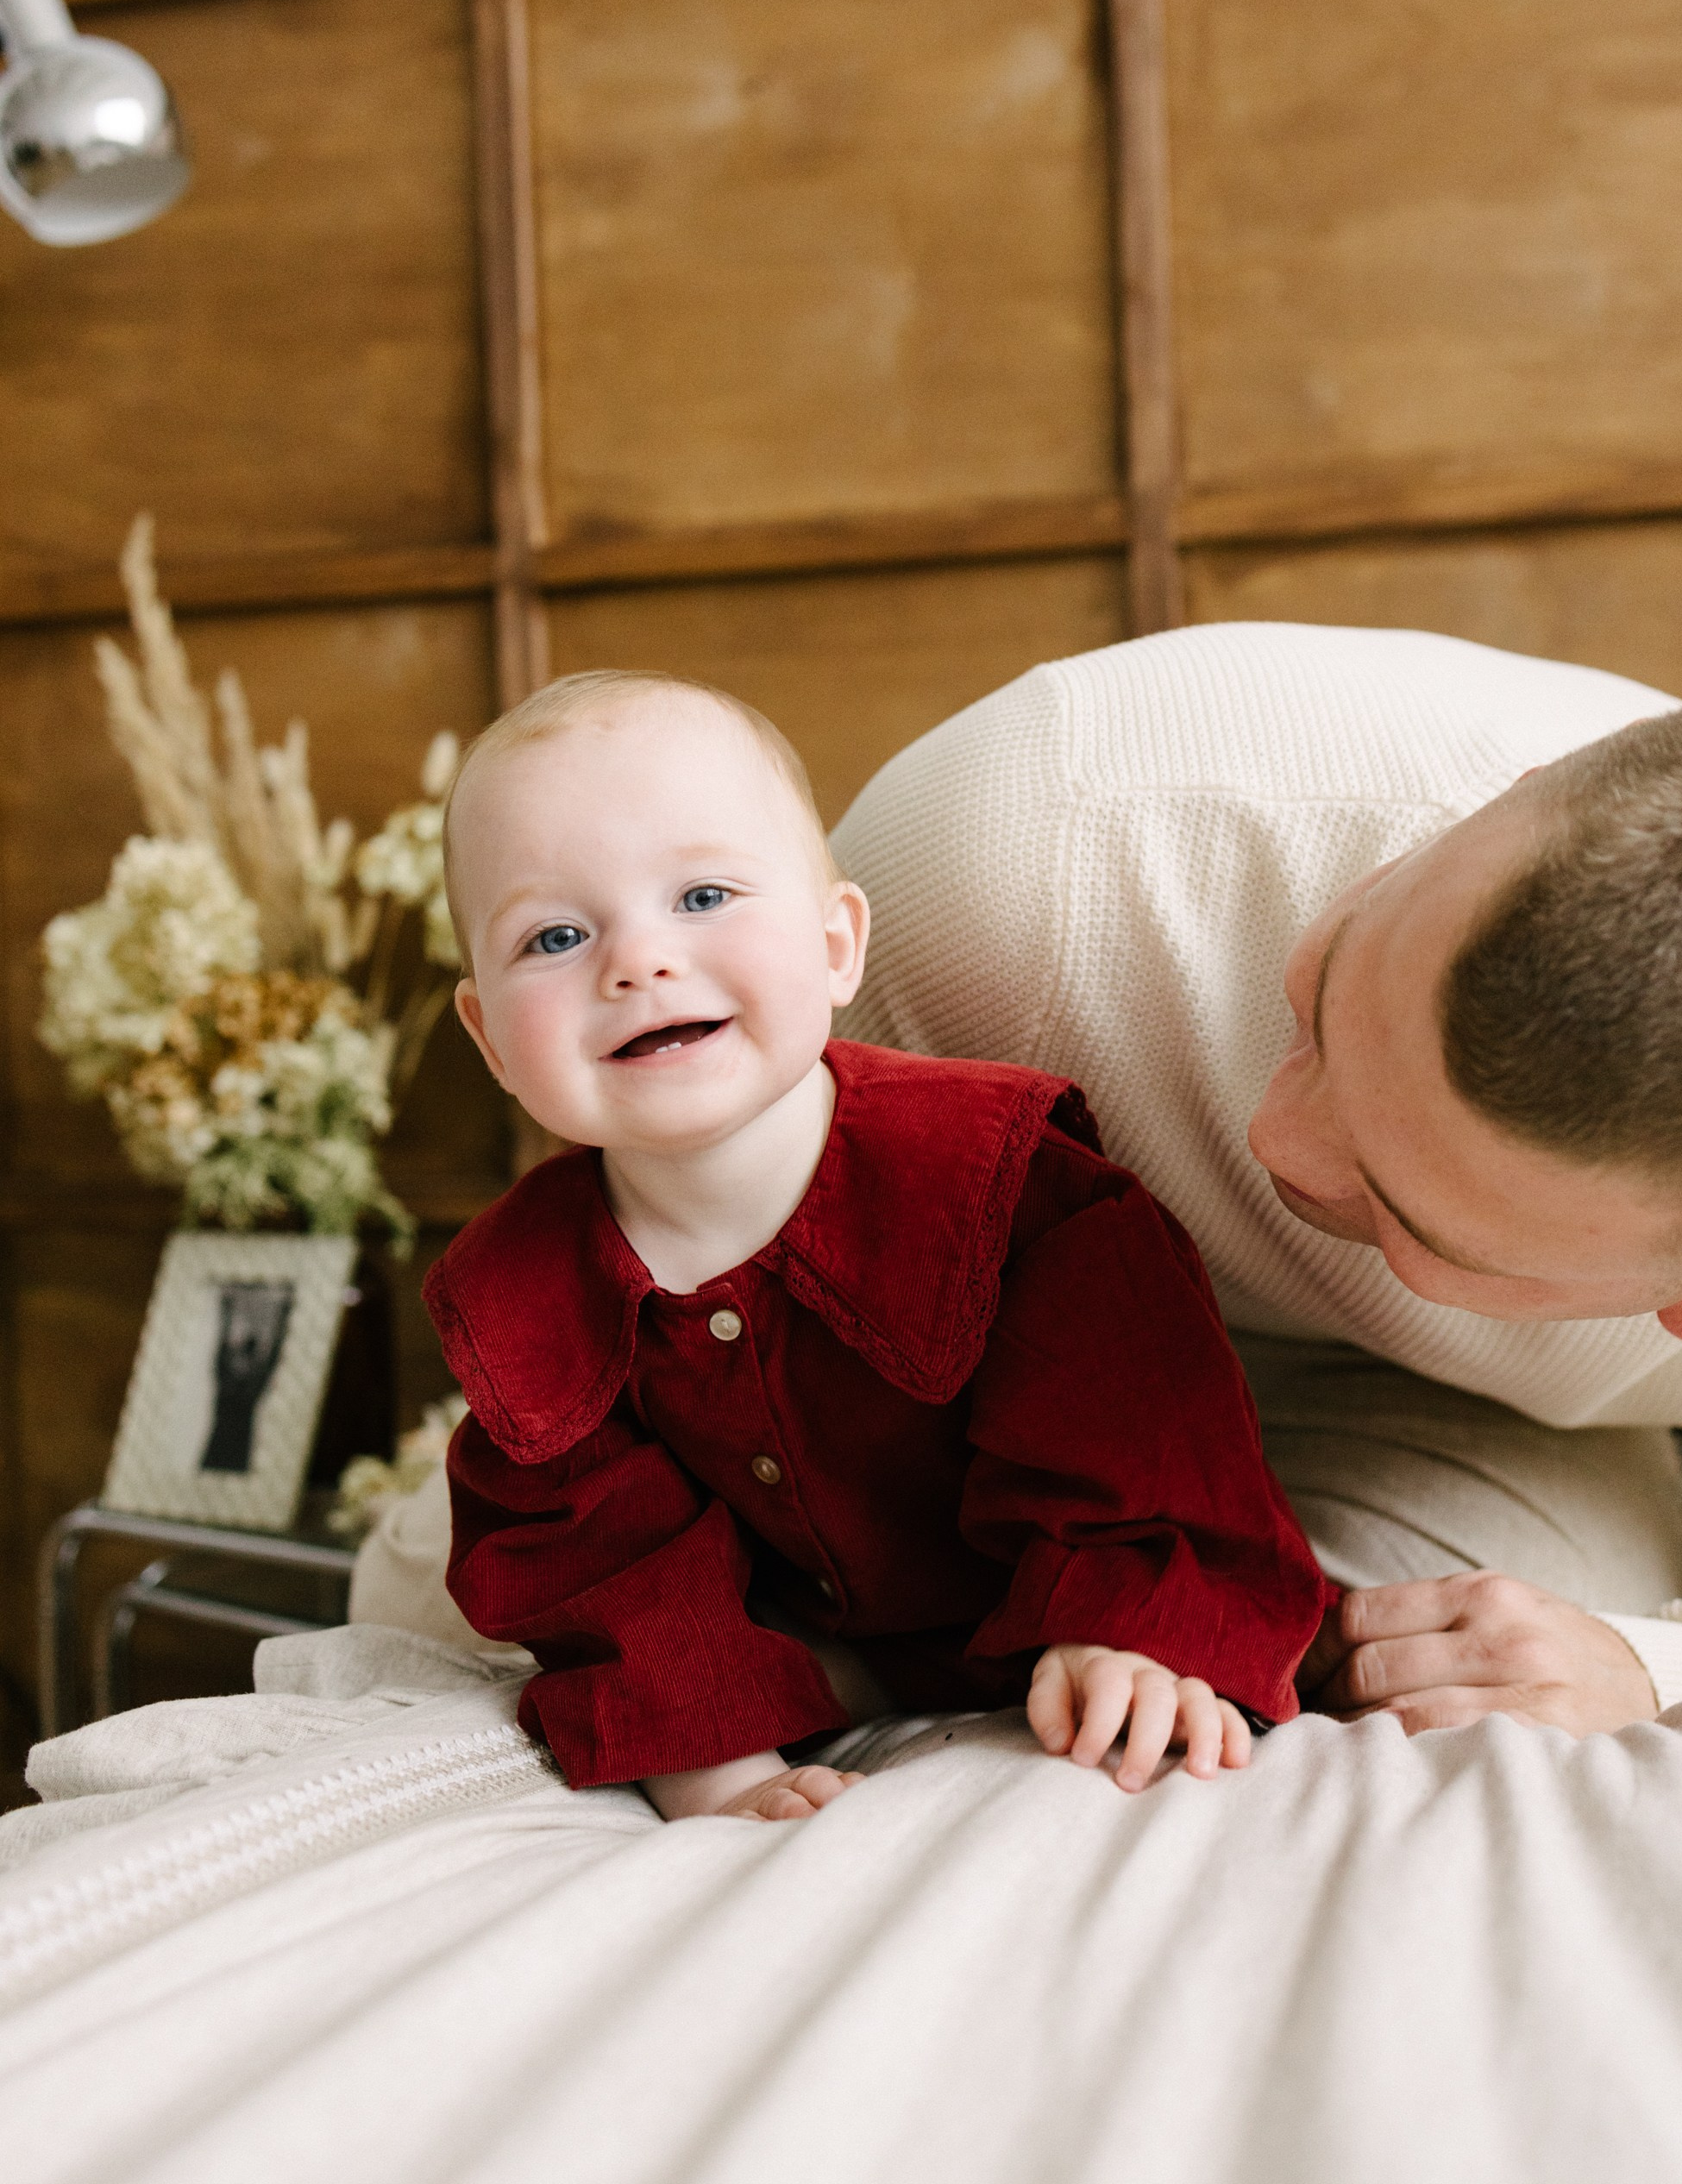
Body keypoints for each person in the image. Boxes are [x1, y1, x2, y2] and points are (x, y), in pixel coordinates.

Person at [424, 669, 1327, 1821]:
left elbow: (1143, 1435)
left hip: (1042, 1607)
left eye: (703, 896)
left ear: (838, 943)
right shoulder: (528, 1299)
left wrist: (1122, 1633)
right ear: (490, 1039)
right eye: (555, 935)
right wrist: (717, 1771)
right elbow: (600, 1571)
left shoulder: (1007, 1186)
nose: (636, 962)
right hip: (816, 1646)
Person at [832, 621, 1682, 1741]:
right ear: (1516, 792)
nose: (1274, 1143)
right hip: (1063, 1365)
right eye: (1324, 992)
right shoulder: (1035, 852)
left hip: (1507, 1433)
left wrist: (1665, 1659)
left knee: (1453, 1696)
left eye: (1406, 1214)